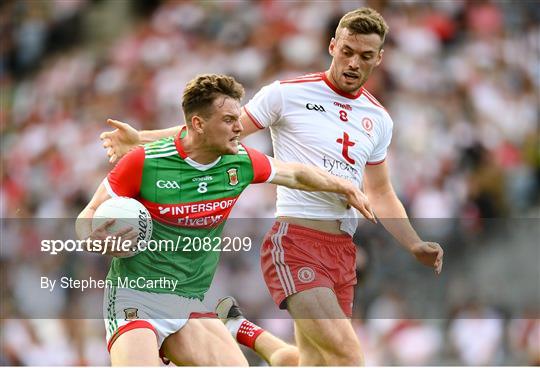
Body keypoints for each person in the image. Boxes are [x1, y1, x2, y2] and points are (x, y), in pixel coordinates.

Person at [100, 7, 444, 366]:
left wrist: (413, 242)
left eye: (365, 56)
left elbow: (382, 192)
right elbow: (213, 134)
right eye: (347, 51)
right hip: (297, 242)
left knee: (312, 362)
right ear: (332, 47)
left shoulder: (379, 119)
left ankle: (244, 330)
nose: (354, 63)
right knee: (348, 356)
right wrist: (144, 140)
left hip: (341, 250)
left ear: (380, 59)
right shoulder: (286, 94)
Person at [77, 73, 375, 366]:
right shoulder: (145, 162)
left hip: (188, 300)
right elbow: (87, 216)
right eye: (229, 120)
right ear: (199, 124)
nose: (239, 127)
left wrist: (344, 186)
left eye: (238, 118)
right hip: (135, 296)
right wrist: (93, 237)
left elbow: (294, 173)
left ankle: (243, 330)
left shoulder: (239, 162)